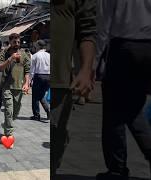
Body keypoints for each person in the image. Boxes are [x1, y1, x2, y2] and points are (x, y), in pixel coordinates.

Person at [97, 1, 151, 179]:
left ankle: (117, 168)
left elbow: (104, 23)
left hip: (125, 46)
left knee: (113, 109)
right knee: (133, 104)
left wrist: (92, 65)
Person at [51, 0, 96, 176]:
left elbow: (88, 30)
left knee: (56, 143)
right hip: (53, 80)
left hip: (62, 81)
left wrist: (85, 70)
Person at [0, 33, 31, 148]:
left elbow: (27, 71)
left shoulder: (24, 55)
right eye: (14, 42)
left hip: (19, 88)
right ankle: (9, 136)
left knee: (15, 113)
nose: (17, 44)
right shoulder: (3, 53)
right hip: (6, 87)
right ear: (10, 42)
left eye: (18, 42)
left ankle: (7, 124)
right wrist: (10, 59)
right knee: (8, 111)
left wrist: (27, 83)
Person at [30, 40, 50, 121]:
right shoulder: (49, 55)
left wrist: (30, 80)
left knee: (35, 96)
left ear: (38, 46)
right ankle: (48, 111)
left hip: (39, 76)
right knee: (41, 95)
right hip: (48, 77)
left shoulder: (35, 56)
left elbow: (32, 70)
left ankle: (36, 115)